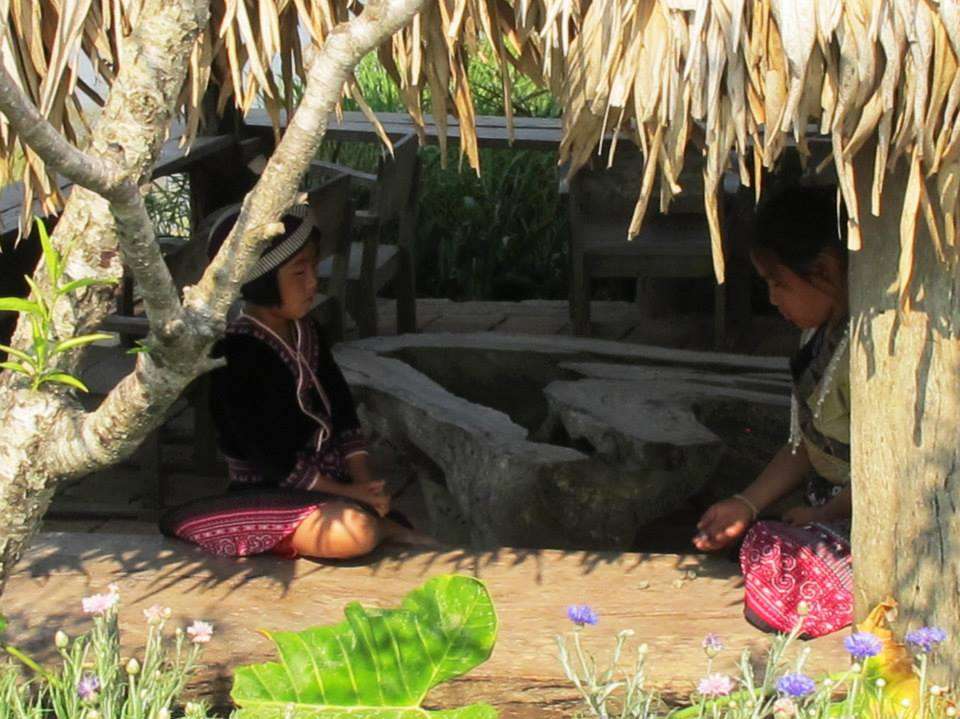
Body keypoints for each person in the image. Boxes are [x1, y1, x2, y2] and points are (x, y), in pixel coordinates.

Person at [161, 203, 433, 559]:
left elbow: (342, 411)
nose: (312, 282)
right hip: (266, 493)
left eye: (313, 269)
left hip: (331, 489)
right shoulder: (237, 355)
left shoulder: (309, 331)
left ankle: (371, 525)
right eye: (298, 273)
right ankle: (383, 530)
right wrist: (351, 494)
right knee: (352, 531)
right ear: (262, 283)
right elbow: (270, 459)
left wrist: (364, 481)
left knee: (359, 522)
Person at [693, 188, 852, 638]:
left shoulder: (869, 353)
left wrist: (831, 511)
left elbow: (897, 472)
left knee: (778, 598)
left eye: (779, 283)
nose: (773, 299)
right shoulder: (816, 339)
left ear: (824, 271)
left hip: (868, 523)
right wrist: (746, 504)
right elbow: (805, 444)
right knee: (761, 551)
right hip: (825, 513)